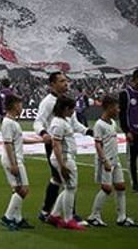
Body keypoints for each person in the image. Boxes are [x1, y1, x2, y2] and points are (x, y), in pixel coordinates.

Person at [32, 71, 90, 224]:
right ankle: (69, 215)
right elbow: (38, 122)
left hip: (66, 145)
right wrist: (43, 133)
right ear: (52, 84)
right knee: (66, 178)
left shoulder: (66, 101)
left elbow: (74, 123)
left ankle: (47, 211)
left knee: (58, 179)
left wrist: (87, 131)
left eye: (66, 81)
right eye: (62, 81)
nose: (66, 83)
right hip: (54, 144)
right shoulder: (48, 102)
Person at [87, 94, 138, 227]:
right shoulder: (99, 124)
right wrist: (104, 161)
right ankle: (94, 215)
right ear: (109, 108)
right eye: (117, 107)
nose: (118, 110)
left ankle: (122, 217)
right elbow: (98, 144)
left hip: (115, 160)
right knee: (106, 188)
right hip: (106, 161)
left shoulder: (113, 123)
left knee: (121, 187)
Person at [0, 94, 39, 231]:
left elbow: (19, 140)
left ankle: (18, 218)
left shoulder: (12, 122)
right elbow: (8, 144)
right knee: (24, 189)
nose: (21, 107)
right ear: (14, 105)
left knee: (17, 189)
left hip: (13, 158)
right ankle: (8, 217)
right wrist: (14, 164)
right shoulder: (8, 123)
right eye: (20, 104)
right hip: (14, 159)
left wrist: (39, 141)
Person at [48, 96, 85, 231]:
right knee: (71, 187)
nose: (73, 111)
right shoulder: (59, 123)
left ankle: (55, 215)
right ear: (65, 109)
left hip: (65, 157)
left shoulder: (62, 121)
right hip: (64, 157)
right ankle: (68, 219)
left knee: (68, 186)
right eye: (71, 108)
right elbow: (56, 144)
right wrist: (62, 164)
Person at [119, 69, 138, 193]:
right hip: (133, 132)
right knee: (132, 160)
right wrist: (126, 131)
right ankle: (135, 184)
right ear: (136, 79)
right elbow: (122, 115)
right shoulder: (125, 94)